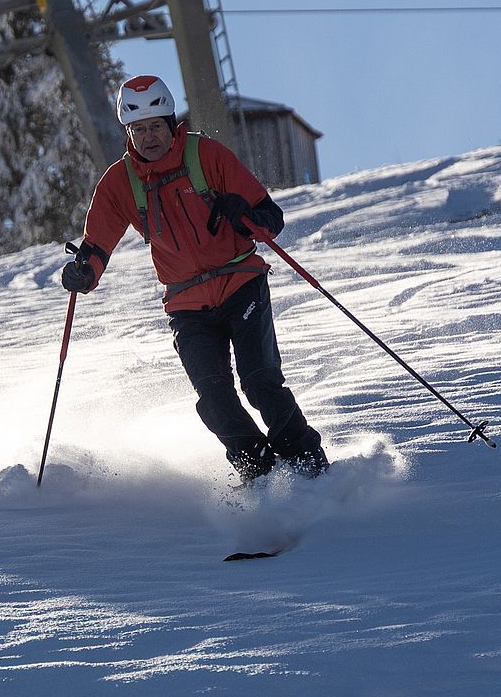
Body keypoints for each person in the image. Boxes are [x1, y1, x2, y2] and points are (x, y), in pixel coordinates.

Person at [61, 74, 330, 482]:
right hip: (187, 303)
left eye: (154, 127)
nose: (147, 137)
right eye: (137, 129)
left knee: (260, 382)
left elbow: (268, 216)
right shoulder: (120, 182)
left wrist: (244, 213)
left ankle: (307, 463)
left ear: (171, 124)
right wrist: (85, 271)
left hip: (240, 283)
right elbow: (96, 243)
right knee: (214, 397)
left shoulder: (206, 155)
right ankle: (260, 473)